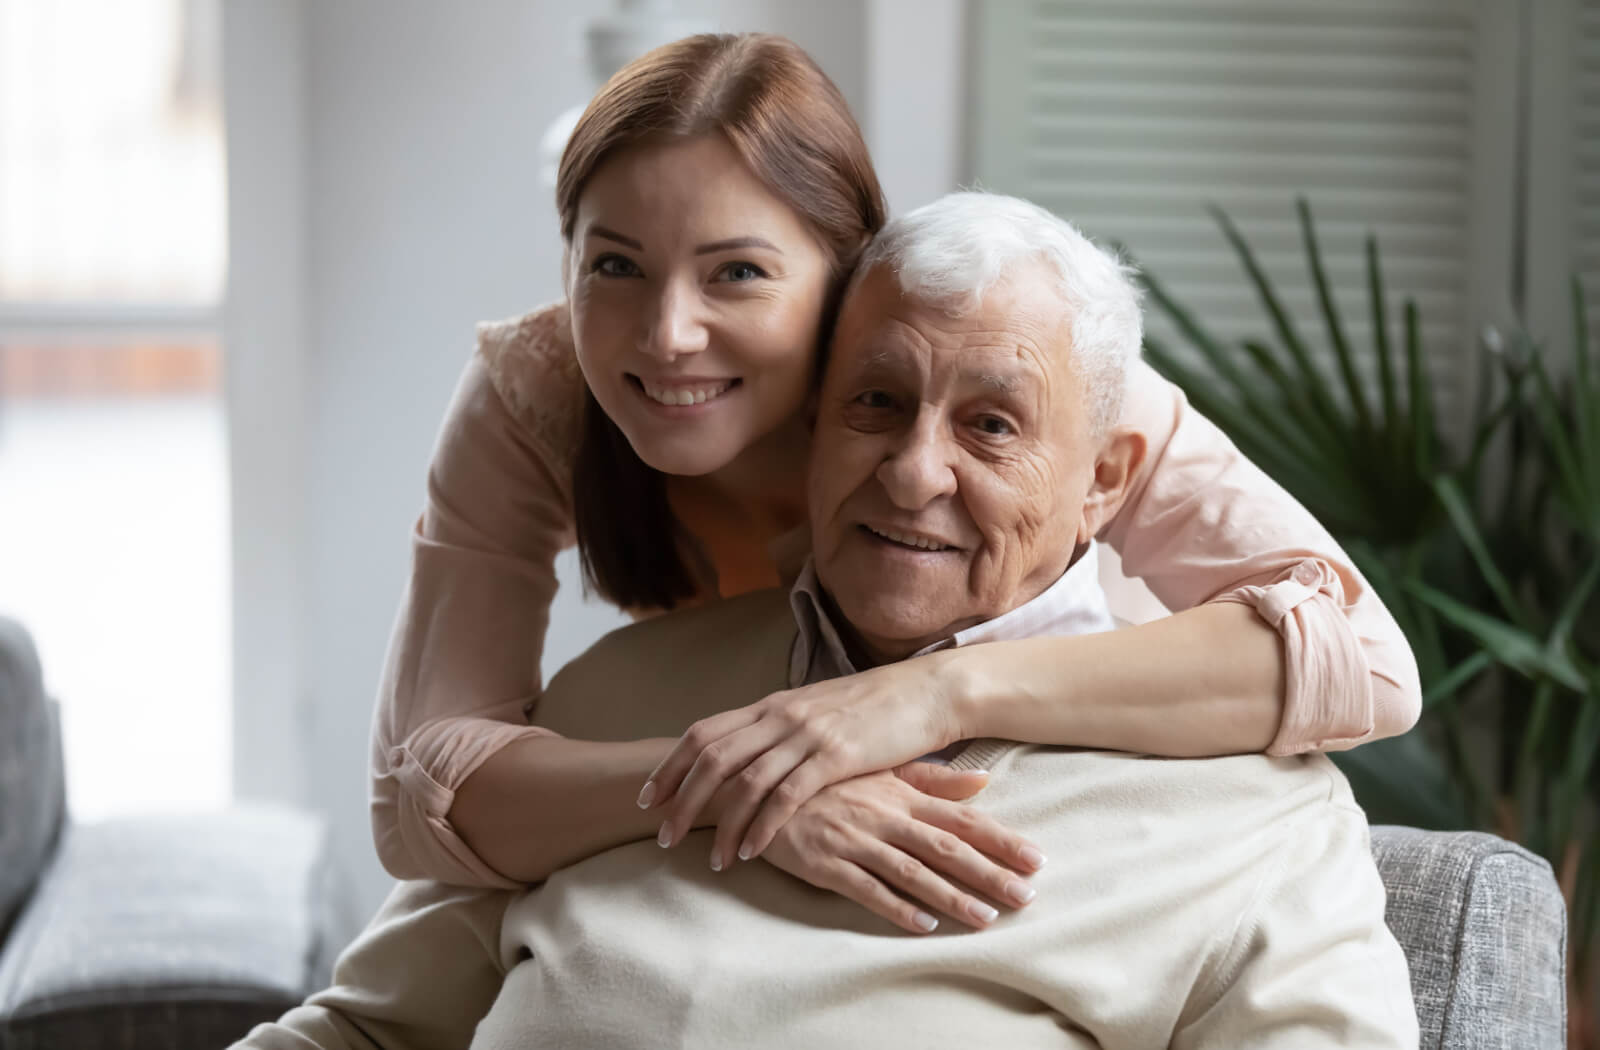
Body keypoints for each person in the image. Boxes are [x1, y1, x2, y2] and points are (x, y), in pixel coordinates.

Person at [238, 191, 1418, 1050]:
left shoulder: (1258, 820)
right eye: (876, 403)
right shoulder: (618, 693)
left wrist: (931, 696)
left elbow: (1359, 660)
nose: (913, 474)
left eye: (992, 426)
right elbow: (361, 1030)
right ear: (812, 426)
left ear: (1105, 480)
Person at [374, 30, 1421, 927]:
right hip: (765, 789)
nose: (668, 334)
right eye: (614, 265)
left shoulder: (1017, 365)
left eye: (736, 271)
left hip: (1057, 755)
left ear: (842, 277)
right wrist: (748, 788)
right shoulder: (535, 392)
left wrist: (925, 693)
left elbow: (1368, 663)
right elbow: (414, 793)